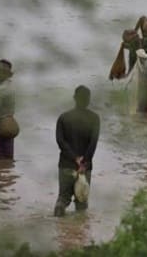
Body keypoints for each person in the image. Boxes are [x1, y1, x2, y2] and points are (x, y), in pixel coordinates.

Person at [53, 85, 100, 217]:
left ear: (74, 98)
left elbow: (61, 142)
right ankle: (79, 232)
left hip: (66, 165)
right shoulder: (94, 118)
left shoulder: (63, 118)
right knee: (81, 203)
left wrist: (74, 158)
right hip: (85, 168)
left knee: (62, 199)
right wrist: (83, 163)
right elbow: (93, 143)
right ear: (89, 100)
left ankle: (58, 228)